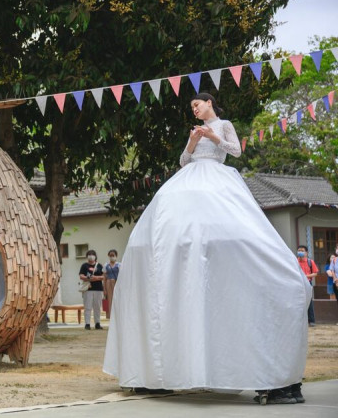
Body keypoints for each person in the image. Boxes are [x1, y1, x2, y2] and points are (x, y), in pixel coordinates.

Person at [103, 92, 311, 395]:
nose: (194, 109)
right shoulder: (193, 132)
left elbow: (235, 151)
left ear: (209, 103)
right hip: (189, 179)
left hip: (217, 178)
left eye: (196, 105)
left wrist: (211, 135)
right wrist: (191, 141)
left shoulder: (224, 124)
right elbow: (183, 161)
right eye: (192, 107)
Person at [79, 250, 104, 330]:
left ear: (95, 256)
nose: (91, 256)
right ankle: (87, 324)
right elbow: (81, 276)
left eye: (92, 254)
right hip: (88, 289)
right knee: (88, 307)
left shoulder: (99, 265)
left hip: (98, 289)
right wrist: (89, 278)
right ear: (87, 256)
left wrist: (95, 278)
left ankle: (97, 323)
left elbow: (103, 276)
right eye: (89, 254)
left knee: (97, 307)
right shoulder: (84, 265)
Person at [296, 246, 318, 327]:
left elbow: (315, 273)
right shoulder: (295, 261)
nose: (300, 252)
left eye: (302, 250)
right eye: (298, 250)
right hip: (297, 284)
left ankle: (312, 321)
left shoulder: (310, 262)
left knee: (309, 302)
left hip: (308, 284)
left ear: (306, 252)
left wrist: (306, 276)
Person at [103, 249, 120, 319]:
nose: (112, 257)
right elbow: (104, 278)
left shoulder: (119, 265)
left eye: (113, 255)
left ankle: (118, 315)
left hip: (116, 282)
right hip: (108, 282)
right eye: (110, 255)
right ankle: (110, 316)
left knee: (117, 299)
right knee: (109, 299)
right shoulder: (106, 265)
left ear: (116, 256)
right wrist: (104, 289)